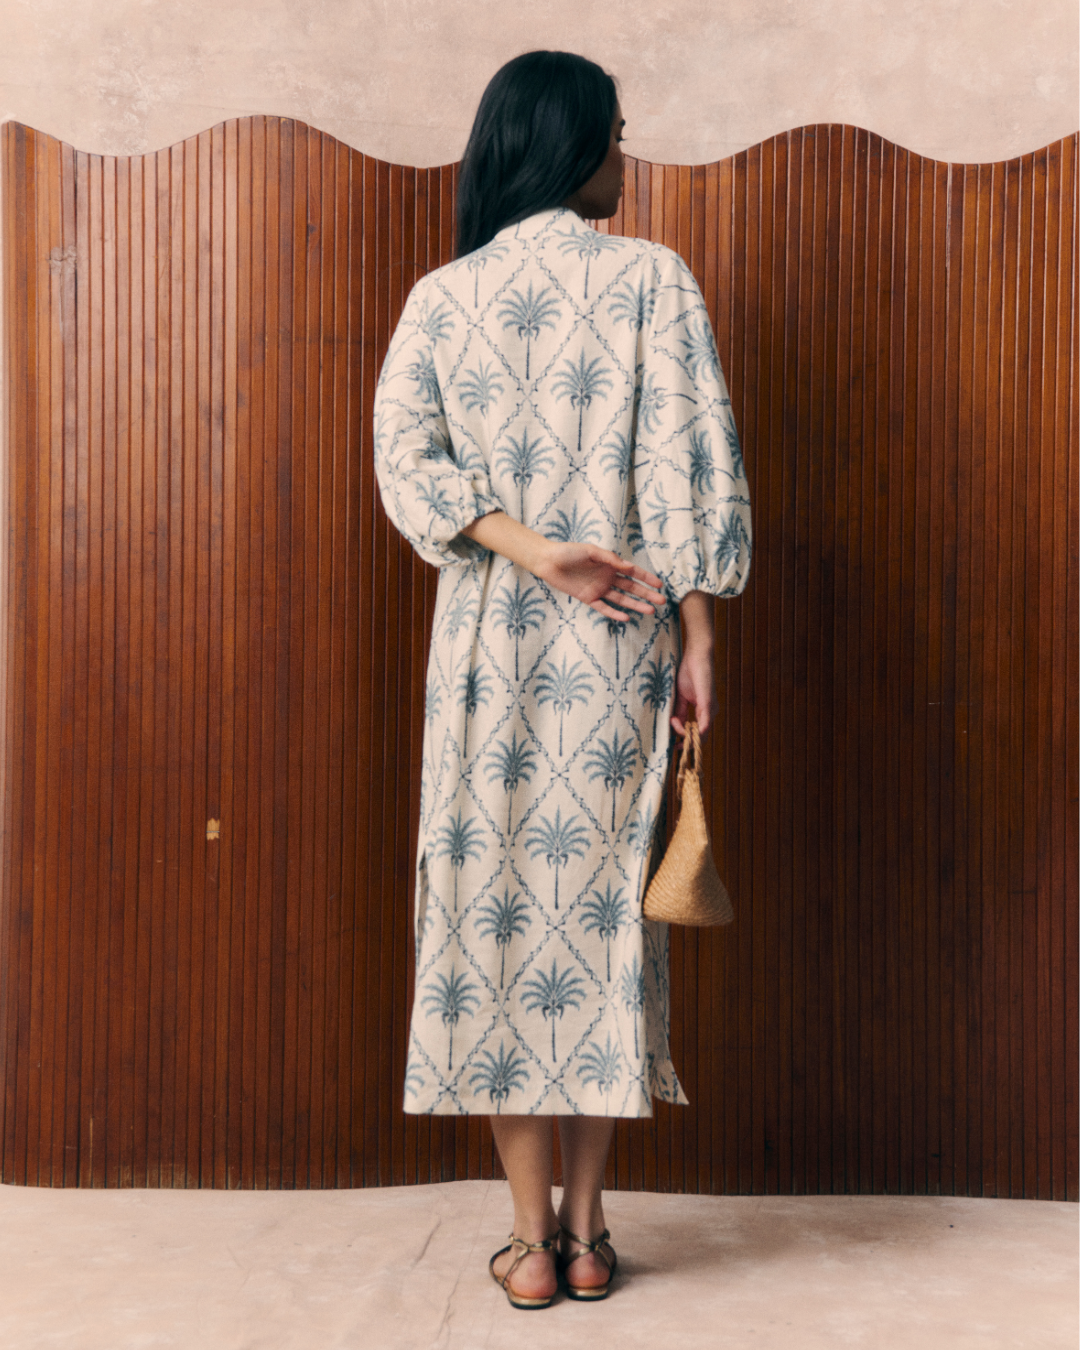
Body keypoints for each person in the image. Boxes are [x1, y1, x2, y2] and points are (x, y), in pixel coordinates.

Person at [373, 49, 752, 1309]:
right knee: (597, 933)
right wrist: (697, 635)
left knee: (495, 929)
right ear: (573, 143)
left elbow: (407, 464)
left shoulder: (443, 298)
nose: (624, 158)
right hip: (620, 648)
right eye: (615, 135)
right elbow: (688, 471)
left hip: (488, 656)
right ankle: (591, 1237)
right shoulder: (654, 279)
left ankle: (528, 1245)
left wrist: (534, 553)